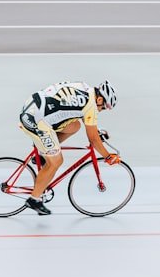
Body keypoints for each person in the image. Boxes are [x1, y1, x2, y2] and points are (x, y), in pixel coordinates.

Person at [18, 80, 120, 215]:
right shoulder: (91, 106)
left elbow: (78, 113)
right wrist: (107, 156)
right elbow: (93, 140)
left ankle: (44, 153)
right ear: (100, 98)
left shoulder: (85, 88)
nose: (102, 110)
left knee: (75, 126)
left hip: (33, 107)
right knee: (56, 161)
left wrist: (96, 131)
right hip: (36, 119)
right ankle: (34, 199)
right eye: (104, 107)